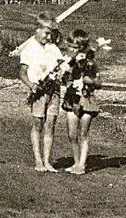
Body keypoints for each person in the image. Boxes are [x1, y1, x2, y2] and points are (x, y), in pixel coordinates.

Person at [18, 14, 65, 172]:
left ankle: (47, 160)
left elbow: (61, 67)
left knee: (50, 125)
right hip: (38, 92)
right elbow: (22, 73)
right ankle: (38, 160)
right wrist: (31, 85)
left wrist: (62, 73)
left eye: (51, 33)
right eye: (46, 33)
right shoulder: (29, 49)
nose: (49, 36)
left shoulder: (53, 48)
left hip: (54, 91)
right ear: (37, 30)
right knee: (38, 125)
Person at [61, 29, 103, 175]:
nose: (72, 50)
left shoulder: (90, 63)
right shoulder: (67, 62)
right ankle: (76, 161)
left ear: (83, 48)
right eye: (70, 46)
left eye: (75, 47)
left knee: (83, 133)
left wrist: (88, 80)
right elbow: (63, 79)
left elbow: (99, 83)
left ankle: (82, 165)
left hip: (87, 100)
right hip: (71, 99)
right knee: (72, 134)